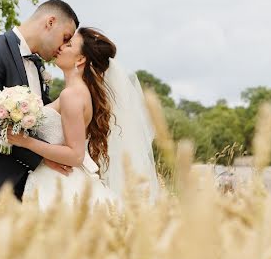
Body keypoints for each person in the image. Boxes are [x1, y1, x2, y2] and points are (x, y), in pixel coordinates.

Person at [0, 0, 79, 217]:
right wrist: (40, 158)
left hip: (31, 187)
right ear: (50, 22)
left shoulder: (37, 66)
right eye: (65, 38)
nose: (64, 47)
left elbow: (41, 121)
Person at [9, 27, 159, 208]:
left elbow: (76, 155)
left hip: (60, 183)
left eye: (69, 44)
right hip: (54, 177)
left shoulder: (72, 95)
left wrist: (25, 142)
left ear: (80, 59)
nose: (61, 47)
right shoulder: (79, 92)